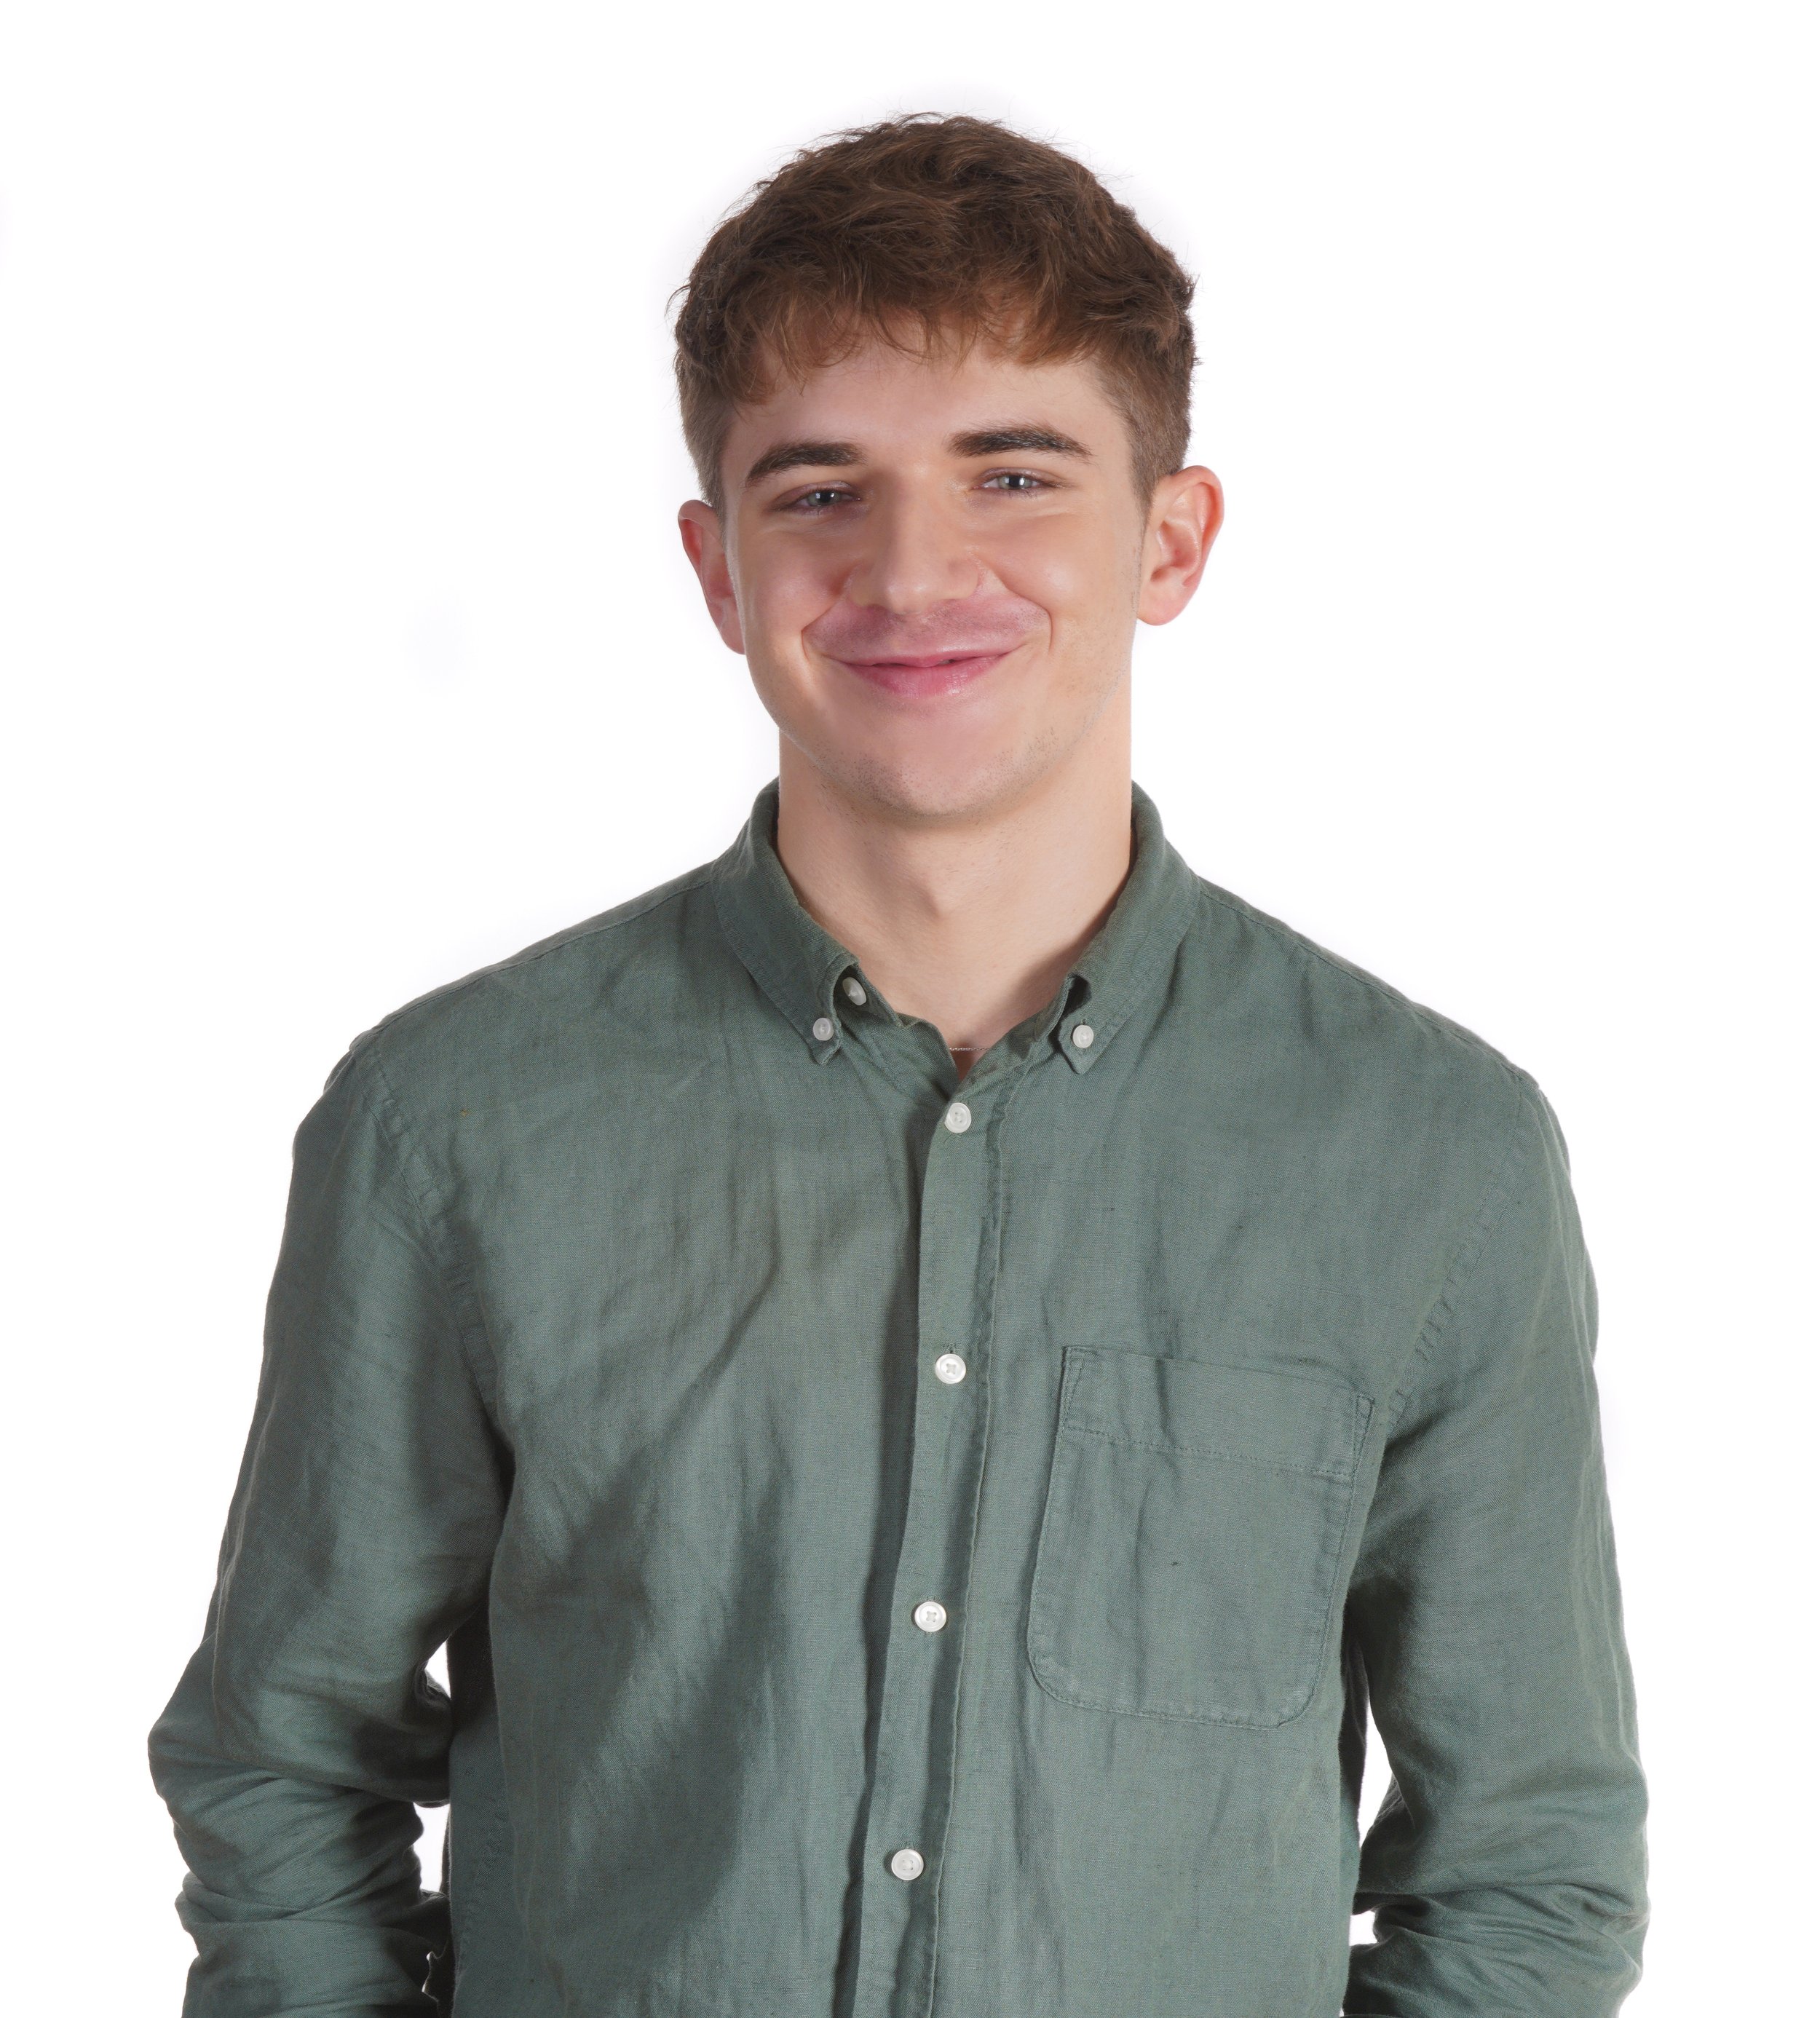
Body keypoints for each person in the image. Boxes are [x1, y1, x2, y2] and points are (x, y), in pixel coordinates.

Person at [148, 113, 1649, 2017]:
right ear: (717, 567)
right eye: (818, 489)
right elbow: (286, 1766)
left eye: (1011, 472)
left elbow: (1527, 1867)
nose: (911, 568)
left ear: (1169, 536)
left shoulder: (1432, 1156)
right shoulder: (449, 1124)